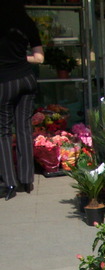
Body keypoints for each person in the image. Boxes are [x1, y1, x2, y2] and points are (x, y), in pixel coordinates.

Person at [0, 0, 44, 201]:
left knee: (3, 131)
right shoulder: (27, 23)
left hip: (5, 82)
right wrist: (20, 57)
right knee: (24, 127)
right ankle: (27, 179)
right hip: (27, 79)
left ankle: (9, 182)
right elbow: (39, 58)